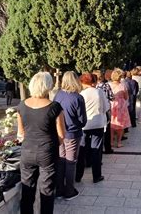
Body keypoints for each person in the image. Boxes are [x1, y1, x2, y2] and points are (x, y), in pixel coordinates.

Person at [17, 72, 66, 213]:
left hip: (27, 151)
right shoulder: (55, 107)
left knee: (27, 190)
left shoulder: (21, 106)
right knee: (47, 190)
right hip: (47, 152)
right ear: (48, 86)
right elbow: (61, 135)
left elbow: (21, 133)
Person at [54, 71, 87, 200]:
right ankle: (69, 191)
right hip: (72, 133)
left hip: (59, 133)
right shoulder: (77, 98)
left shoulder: (58, 95)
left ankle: (59, 189)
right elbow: (82, 120)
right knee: (70, 162)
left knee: (61, 160)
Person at [76, 73, 109, 184]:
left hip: (84, 125)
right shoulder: (99, 92)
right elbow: (106, 107)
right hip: (98, 123)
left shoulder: (81, 94)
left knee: (82, 149)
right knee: (97, 150)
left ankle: (78, 175)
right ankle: (96, 176)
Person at [93, 70, 114, 154]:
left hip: (94, 110)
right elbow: (111, 96)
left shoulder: (93, 87)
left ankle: (98, 149)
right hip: (105, 109)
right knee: (107, 129)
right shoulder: (106, 86)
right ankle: (107, 148)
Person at [109, 69, 131, 148]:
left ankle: (111, 142)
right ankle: (118, 142)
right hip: (121, 106)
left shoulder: (109, 85)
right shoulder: (123, 85)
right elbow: (126, 97)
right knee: (120, 125)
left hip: (111, 105)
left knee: (111, 125)